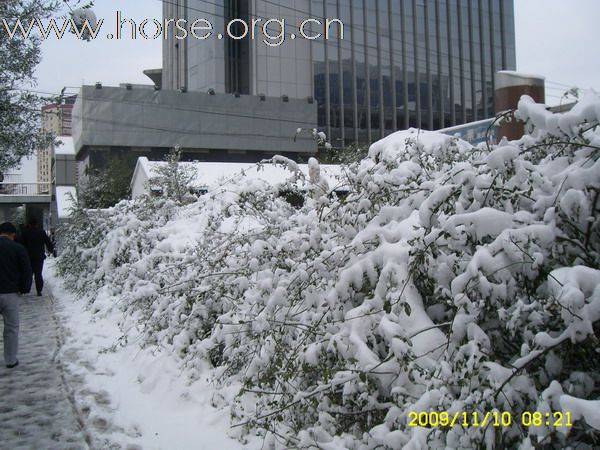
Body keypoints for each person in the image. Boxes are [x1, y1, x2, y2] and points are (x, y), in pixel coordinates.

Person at [0, 222, 32, 369]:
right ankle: (10, 360)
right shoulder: (18, 248)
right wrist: (24, 288)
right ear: (12, 234)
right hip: (10, 293)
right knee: (11, 327)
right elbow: (26, 269)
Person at [19, 217, 55, 297]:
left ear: (29, 224)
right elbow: (48, 242)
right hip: (39, 256)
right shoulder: (41, 232)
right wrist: (51, 250)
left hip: (28, 256)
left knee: (28, 273)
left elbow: (21, 244)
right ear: (37, 224)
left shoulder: (25, 233)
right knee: (38, 273)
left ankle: (25, 289)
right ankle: (39, 290)